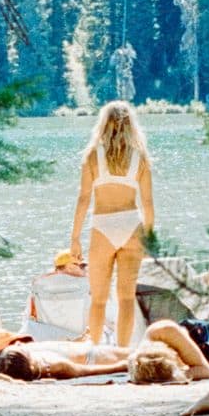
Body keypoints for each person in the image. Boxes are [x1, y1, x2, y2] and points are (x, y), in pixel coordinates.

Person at [68, 100, 155, 347]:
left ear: (103, 124)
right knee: (126, 297)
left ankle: (95, 350)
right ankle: (123, 352)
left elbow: (84, 198)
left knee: (98, 298)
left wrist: (74, 237)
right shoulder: (141, 158)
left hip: (103, 225)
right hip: (131, 225)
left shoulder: (93, 156)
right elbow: (147, 203)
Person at [0, 320, 209, 383]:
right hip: (137, 354)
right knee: (161, 328)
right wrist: (126, 364)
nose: (17, 343)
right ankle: (207, 370)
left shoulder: (38, 360)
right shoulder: (51, 365)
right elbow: (83, 371)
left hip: (135, 354)